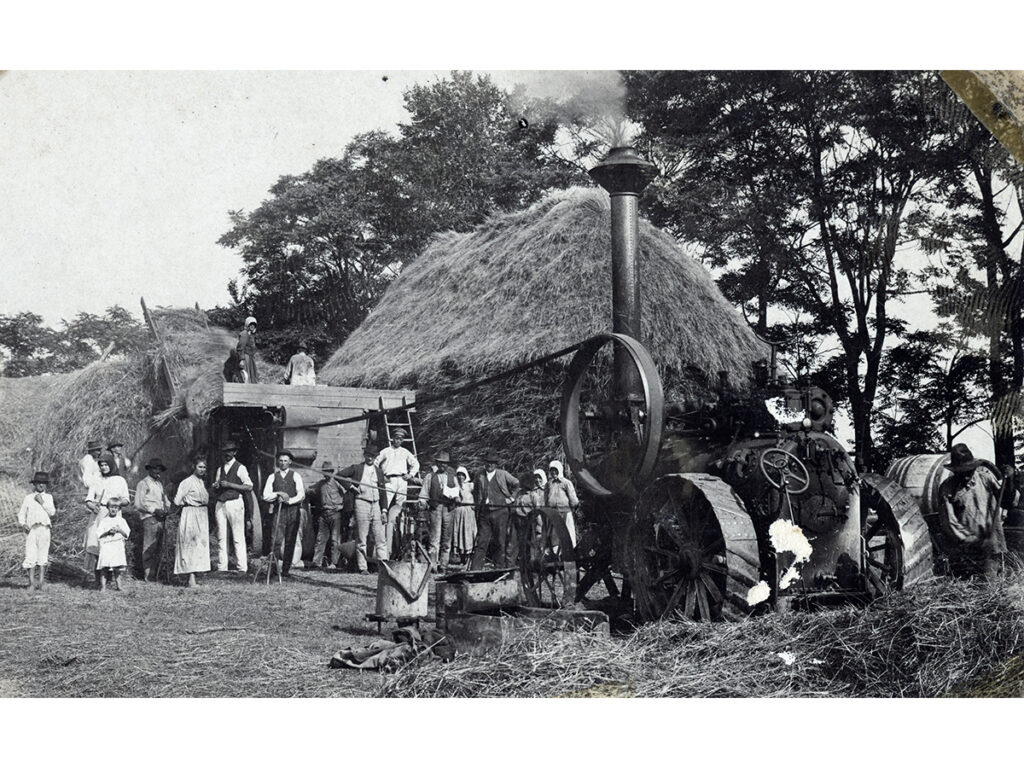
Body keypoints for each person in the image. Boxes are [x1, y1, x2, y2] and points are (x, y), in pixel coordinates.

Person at [938, 443, 1007, 579]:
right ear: (955, 470)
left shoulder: (985, 479)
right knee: (968, 590)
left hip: (991, 546)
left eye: (968, 471)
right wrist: (969, 539)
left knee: (989, 586)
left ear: (974, 467)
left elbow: (1008, 500)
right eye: (960, 472)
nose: (965, 476)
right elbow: (948, 522)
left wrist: (1009, 481)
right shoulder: (947, 488)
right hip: (965, 550)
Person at [337, 446, 388, 574]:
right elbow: (339, 475)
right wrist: (351, 487)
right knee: (361, 537)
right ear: (364, 455)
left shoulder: (379, 471)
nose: (370, 458)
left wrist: (384, 510)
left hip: (376, 505)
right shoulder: (357, 468)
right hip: (361, 503)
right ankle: (363, 567)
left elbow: (383, 493)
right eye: (368, 455)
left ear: (376, 457)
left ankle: (384, 566)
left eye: (373, 456)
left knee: (380, 537)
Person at [84, 454, 130, 585]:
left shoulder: (120, 480)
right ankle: (99, 579)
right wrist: (93, 506)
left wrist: (116, 504)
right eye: (101, 465)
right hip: (98, 514)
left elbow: (126, 500)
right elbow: (88, 499)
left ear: (111, 465)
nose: (104, 468)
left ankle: (112, 579)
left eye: (106, 465)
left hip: (114, 514)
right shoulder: (96, 479)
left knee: (112, 544)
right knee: (98, 544)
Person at [375, 428, 420, 558]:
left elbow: (415, 464)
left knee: (400, 507)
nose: (398, 441)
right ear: (392, 439)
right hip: (389, 479)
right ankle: (383, 526)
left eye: (401, 439)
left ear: (402, 440)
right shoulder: (386, 451)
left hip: (401, 480)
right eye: (396, 438)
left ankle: (397, 531)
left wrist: (410, 475)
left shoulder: (405, 452)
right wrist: (381, 476)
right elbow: (376, 463)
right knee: (385, 503)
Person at [470, 453, 520, 570]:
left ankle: (499, 569)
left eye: (492, 463)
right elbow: (476, 492)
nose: (489, 465)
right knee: (481, 541)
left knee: (500, 541)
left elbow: (516, 483)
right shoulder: (479, 475)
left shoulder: (502, 474)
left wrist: (511, 498)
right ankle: (475, 570)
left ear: (496, 465)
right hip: (485, 513)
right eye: (487, 462)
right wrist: (478, 506)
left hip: (500, 512)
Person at [261, 450, 306, 577]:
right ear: (278, 462)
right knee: (275, 540)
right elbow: (266, 495)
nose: (283, 463)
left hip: (293, 510)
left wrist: (289, 500)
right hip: (278, 511)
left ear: (290, 462)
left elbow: (301, 494)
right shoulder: (272, 477)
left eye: (285, 461)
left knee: (290, 540)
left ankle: (285, 570)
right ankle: (273, 570)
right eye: (281, 460)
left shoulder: (296, 476)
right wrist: (278, 495)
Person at [212, 441, 254, 573]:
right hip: (221, 503)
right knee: (221, 536)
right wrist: (217, 485)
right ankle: (222, 567)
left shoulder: (240, 468)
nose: (227, 454)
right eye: (225, 452)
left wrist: (230, 484)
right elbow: (217, 484)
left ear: (234, 452)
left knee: (238, 536)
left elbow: (249, 486)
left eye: (229, 451)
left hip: (235, 502)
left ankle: (242, 568)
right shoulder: (220, 469)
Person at [174, 457, 211, 587]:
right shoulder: (187, 482)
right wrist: (187, 502)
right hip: (191, 515)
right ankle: (190, 579)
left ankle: (193, 578)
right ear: (194, 467)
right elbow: (177, 501)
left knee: (199, 546)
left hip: (201, 515)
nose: (202, 470)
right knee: (190, 545)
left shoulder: (201, 482)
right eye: (199, 467)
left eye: (204, 467)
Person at [134, 458, 171, 581]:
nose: (157, 471)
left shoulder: (159, 484)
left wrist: (167, 507)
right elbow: (138, 504)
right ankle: (148, 576)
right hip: (150, 518)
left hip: (161, 518)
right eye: (154, 468)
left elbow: (164, 500)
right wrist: (154, 510)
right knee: (149, 547)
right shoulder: (143, 484)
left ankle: (156, 574)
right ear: (149, 469)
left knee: (158, 547)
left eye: (159, 469)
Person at [19, 471, 55, 591]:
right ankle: (31, 583)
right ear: (34, 484)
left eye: (44, 483)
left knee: (43, 555)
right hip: (32, 530)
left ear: (46, 485)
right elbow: (21, 514)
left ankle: (41, 582)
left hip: (44, 529)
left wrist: (42, 502)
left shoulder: (48, 497)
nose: (41, 485)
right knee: (30, 555)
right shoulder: (28, 498)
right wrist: (23, 524)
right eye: (39, 483)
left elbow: (52, 512)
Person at [313, 461, 348, 569]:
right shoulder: (320, 484)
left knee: (335, 539)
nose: (326, 473)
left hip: (335, 514)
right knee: (320, 539)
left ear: (332, 472)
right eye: (324, 472)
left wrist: (342, 506)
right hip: (323, 514)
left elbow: (347, 495)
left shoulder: (337, 483)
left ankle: (334, 563)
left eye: (329, 471)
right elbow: (310, 490)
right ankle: (316, 563)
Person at [427, 451, 458, 571]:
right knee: (434, 538)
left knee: (447, 538)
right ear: (437, 463)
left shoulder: (452, 477)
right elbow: (424, 494)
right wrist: (423, 502)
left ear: (448, 465)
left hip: (448, 509)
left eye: (445, 463)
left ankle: (443, 565)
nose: (442, 466)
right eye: (440, 463)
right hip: (435, 508)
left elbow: (458, 493)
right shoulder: (430, 477)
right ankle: (433, 566)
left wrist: (456, 497)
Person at [545, 460, 580, 549]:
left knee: (568, 532)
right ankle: (556, 553)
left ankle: (571, 552)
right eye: (552, 470)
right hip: (553, 513)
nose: (553, 472)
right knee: (555, 534)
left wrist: (572, 506)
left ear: (560, 470)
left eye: (555, 470)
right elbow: (546, 498)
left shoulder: (566, 483)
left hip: (565, 512)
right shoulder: (549, 484)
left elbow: (573, 499)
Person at [96, 505, 131, 592]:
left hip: (117, 545)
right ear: (108, 508)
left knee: (117, 567)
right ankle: (103, 587)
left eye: (115, 508)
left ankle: (119, 586)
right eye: (111, 507)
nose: (113, 509)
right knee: (104, 567)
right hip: (107, 545)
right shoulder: (104, 521)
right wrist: (108, 532)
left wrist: (119, 530)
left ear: (119, 509)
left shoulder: (121, 520)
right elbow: (99, 534)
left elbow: (127, 534)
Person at [451, 466, 477, 566]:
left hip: (468, 512)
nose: (460, 477)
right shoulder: (455, 487)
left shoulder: (470, 486)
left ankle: (469, 559)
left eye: (462, 475)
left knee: (468, 534)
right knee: (459, 534)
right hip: (459, 512)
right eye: (459, 475)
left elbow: (479, 493)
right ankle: (462, 559)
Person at [236, 316, 258, 384]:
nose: (252, 326)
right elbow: (240, 348)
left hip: (250, 358)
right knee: (245, 376)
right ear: (247, 324)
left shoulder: (250, 334)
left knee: (251, 376)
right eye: (250, 324)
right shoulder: (244, 334)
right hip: (246, 358)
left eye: (254, 325)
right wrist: (241, 360)